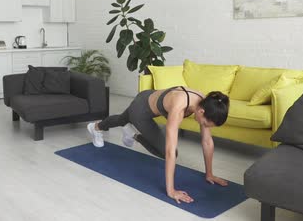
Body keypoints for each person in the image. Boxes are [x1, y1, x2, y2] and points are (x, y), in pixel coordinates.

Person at [86, 86, 230, 204]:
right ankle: (132, 133)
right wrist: (171, 190)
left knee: (121, 119)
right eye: (205, 123)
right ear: (201, 111)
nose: (203, 125)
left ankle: (95, 127)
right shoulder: (179, 107)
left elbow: (207, 141)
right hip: (141, 111)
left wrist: (210, 174)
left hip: (146, 97)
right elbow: (169, 151)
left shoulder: (206, 104)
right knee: (168, 151)